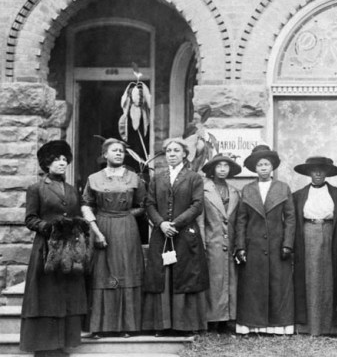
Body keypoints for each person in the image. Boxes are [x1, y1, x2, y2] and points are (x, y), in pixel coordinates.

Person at [20, 141, 88, 357]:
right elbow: (30, 219)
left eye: (64, 159)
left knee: (65, 293)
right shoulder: (36, 189)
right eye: (56, 159)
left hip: (68, 248)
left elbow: (75, 213)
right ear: (46, 163)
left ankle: (62, 343)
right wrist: (48, 228)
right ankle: (45, 347)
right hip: (46, 249)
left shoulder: (71, 189)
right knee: (46, 295)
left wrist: (78, 226)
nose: (61, 163)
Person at [143, 138, 209, 335]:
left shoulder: (194, 178)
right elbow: (149, 204)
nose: (171, 154)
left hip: (185, 234)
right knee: (161, 276)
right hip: (161, 234)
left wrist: (176, 224)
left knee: (185, 275)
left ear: (184, 154)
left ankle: (184, 325)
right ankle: (161, 325)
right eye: (168, 151)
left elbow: (197, 205)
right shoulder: (158, 178)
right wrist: (161, 224)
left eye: (176, 151)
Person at [82, 138, 147, 337]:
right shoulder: (94, 178)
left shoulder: (134, 178)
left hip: (126, 228)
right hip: (102, 226)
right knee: (102, 272)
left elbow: (143, 205)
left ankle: (127, 325)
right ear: (105, 155)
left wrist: (126, 216)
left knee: (126, 269)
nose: (119, 153)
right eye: (114, 150)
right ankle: (99, 326)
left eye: (121, 151)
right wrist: (95, 228)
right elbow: (86, 204)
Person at [234, 145, 296, 335]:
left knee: (278, 285)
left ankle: (278, 326)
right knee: (253, 287)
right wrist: (241, 246)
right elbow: (241, 220)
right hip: (254, 247)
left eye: (266, 164)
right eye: (259, 164)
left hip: (277, 246)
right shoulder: (247, 189)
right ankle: (251, 325)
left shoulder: (282, 188)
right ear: (255, 168)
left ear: (272, 167)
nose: (263, 167)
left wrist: (287, 243)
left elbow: (290, 218)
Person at [293, 156, 337, 336]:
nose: (317, 173)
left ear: (327, 173)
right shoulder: (298, 196)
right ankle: (309, 326)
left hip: (332, 234)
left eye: (321, 170)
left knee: (330, 277)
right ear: (308, 172)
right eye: (314, 170)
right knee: (311, 276)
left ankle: (331, 326)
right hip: (308, 233)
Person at [201, 153, 242, 333]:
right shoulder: (204, 189)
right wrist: (203, 242)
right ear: (212, 169)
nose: (223, 169)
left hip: (230, 243)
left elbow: (237, 220)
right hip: (212, 242)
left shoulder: (234, 191)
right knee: (214, 281)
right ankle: (212, 320)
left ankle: (227, 320)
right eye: (219, 166)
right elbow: (200, 220)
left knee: (230, 281)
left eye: (226, 166)